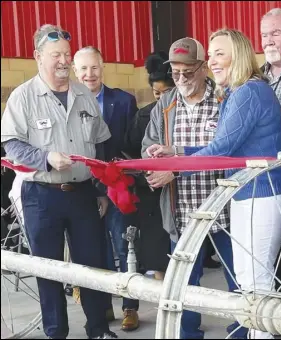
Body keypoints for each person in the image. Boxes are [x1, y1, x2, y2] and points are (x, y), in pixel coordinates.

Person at [146, 29, 281, 340]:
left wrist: (176, 169)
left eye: (219, 53)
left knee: (255, 286)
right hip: (248, 195)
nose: (212, 61)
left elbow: (221, 151)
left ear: (237, 55)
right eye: (210, 54)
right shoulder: (243, 91)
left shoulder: (247, 92)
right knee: (250, 284)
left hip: (257, 195)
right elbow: (226, 149)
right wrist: (178, 153)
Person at [1, 24, 117, 340]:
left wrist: (102, 188)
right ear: (39, 57)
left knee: (91, 266)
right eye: (56, 55)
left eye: (67, 54)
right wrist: (46, 158)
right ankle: (56, 332)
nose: (63, 61)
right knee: (48, 269)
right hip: (42, 195)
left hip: (82, 195)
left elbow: (101, 143)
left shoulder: (84, 95)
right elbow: (12, 145)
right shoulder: (22, 97)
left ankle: (98, 329)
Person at [141, 37, 237, 339]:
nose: (181, 79)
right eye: (176, 73)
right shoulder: (165, 104)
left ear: (203, 67)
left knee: (238, 280)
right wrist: (154, 161)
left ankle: (244, 330)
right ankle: (188, 334)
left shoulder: (224, 100)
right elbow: (147, 146)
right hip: (181, 215)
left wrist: (176, 170)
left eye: (188, 72)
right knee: (184, 285)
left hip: (224, 213)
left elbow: (227, 154)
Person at [73, 46, 139, 331]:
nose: (90, 74)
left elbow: (133, 144)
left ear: (103, 67)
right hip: (82, 189)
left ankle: (130, 307)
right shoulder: (66, 103)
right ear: (76, 72)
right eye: (84, 69)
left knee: (125, 245)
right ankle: (102, 308)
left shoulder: (124, 101)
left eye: (94, 67)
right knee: (93, 249)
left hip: (116, 187)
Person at [123, 51, 175, 280]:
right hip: (151, 188)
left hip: (177, 186)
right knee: (156, 246)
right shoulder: (144, 115)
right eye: (156, 93)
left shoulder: (182, 112)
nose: (161, 97)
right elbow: (131, 146)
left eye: (166, 92)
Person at [260, 8, 281, 291]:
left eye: (276, 33)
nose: (268, 40)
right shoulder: (256, 78)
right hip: (265, 178)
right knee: (274, 246)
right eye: (264, 35)